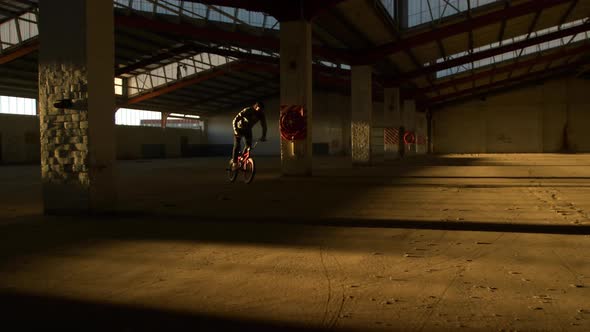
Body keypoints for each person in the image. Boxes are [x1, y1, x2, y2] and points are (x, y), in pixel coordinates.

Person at [231, 101, 267, 170]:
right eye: (259, 109)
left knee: (249, 146)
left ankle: (243, 158)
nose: (259, 111)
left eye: (261, 110)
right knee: (237, 145)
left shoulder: (261, 115)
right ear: (255, 107)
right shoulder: (247, 110)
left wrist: (263, 136)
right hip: (239, 128)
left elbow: (264, 126)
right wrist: (236, 131)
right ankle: (234, 163)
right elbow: (235, 120)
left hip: (248, 130)